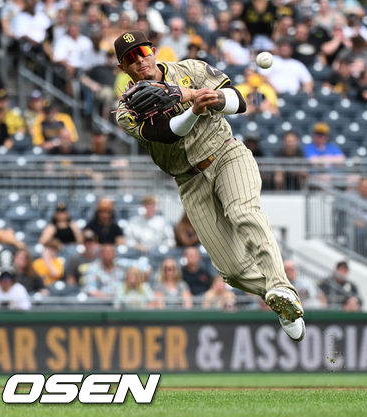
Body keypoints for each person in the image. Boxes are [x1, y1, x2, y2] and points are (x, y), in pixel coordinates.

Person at [114, 31, 305, 341]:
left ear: (153, 50)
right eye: (130, 58)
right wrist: (192, 105)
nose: (140, 60)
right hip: (189, 179)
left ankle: (282, 287)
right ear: (123, 68)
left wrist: (211, 97)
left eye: (143, 51)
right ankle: (281, 300)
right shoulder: (127, 109)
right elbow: (166, 133)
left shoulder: (190, 70)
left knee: (242, 211)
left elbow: (238, 101)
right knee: (231, 271)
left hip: (227, 154)